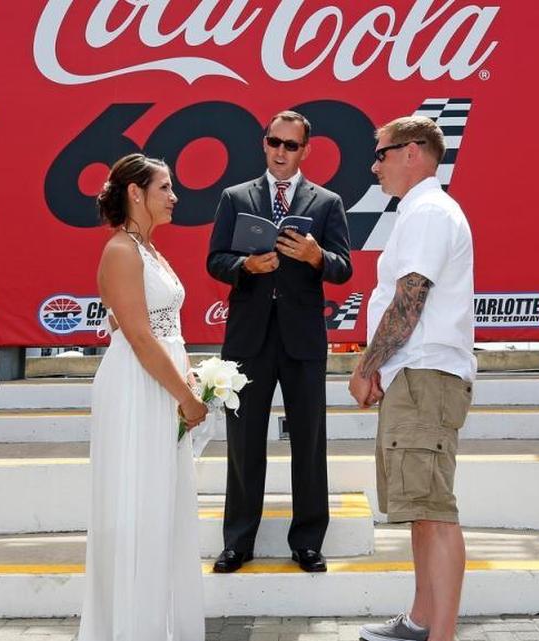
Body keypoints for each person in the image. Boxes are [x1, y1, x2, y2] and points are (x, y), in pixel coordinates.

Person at [206, 110, 352, 573]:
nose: (282, 152)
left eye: (291, 145)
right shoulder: (235, 196)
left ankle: (308, 540)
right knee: (243, 440)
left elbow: (343, 267)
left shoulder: (327, 201)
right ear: (264, 144)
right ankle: (238, 542)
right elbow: (215, 260)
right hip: (249, 338)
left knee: (309, 440)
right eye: (275, 143)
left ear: (305, 150)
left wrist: (315, 256)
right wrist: (244, 267)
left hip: (302, 338)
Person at [350, 116, 475, 641]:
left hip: (425, 374)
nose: (375, 164)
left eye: (382, 153)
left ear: (415, 152)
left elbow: (409, 301)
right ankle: (422, 621)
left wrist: (364, 366)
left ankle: (438, 633)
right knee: (422, 509)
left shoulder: (427, 211)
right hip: (419, 375)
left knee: (434, 510)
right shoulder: (421, 211)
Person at [78, 154, 209, 641]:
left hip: (163, 387)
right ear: (136, 193)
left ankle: (160, 625)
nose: (174, 197)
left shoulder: (148, 250)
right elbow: (137, 335)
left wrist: (192, 380)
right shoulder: (121, 250)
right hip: (138, 388)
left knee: (163, 508)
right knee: (137, 506)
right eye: (165, 187)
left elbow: (164, 328)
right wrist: (186, 396)